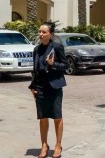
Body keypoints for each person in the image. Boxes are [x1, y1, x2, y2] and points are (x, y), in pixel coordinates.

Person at [28, 22, 67, 158]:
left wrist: (53, 64)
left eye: (44, 32)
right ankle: (44, 145)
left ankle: (58, 145)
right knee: (43, 117)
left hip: (54, 86)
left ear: (50, 34)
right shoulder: (37, 50)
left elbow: (65, 65)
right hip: (40, 87)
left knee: (57, 116)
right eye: (39, 31)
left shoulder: (57, 47)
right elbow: (35, 69)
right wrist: (33, 86)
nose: (40, 34)